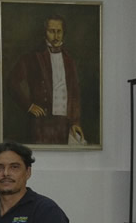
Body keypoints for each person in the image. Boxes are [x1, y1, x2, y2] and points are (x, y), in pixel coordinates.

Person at [8, 15, 84, 145]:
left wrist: (75, 121)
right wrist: (29, 105)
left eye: (58, 31)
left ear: (63, 33)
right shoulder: (32, 57)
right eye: (51, 31)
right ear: (45, 32)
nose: (56, 36)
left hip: (64, 123)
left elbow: (74, 93)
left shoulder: (69, 60)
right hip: (42, 123)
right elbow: (11, 82)